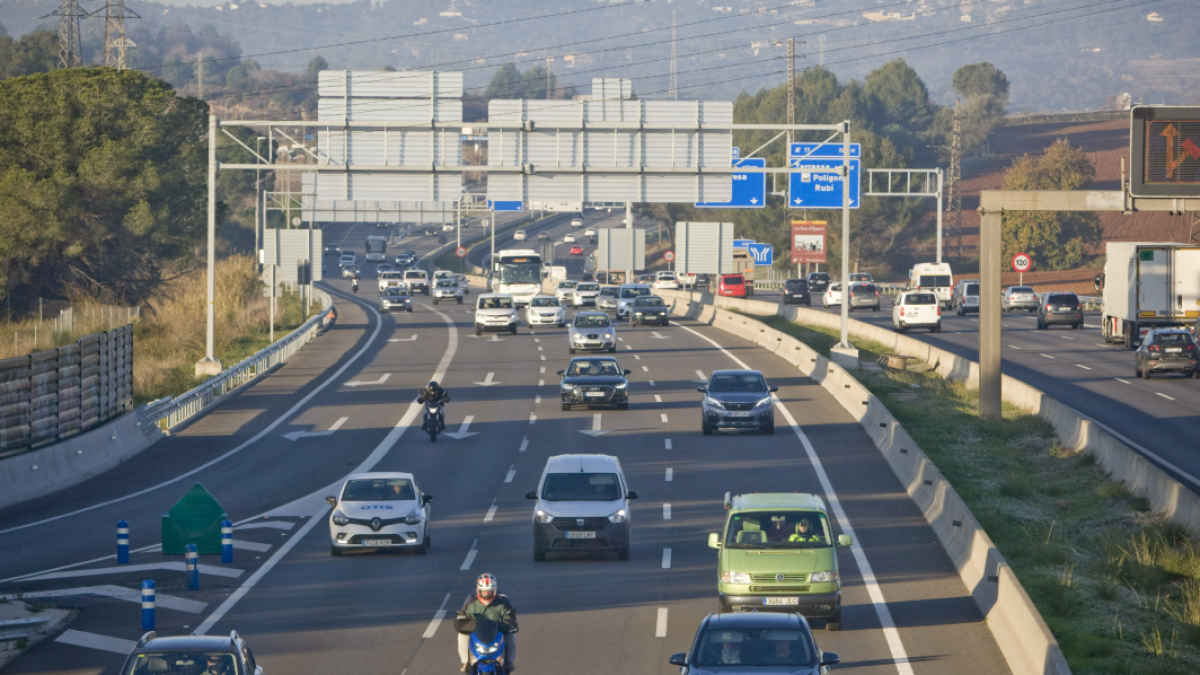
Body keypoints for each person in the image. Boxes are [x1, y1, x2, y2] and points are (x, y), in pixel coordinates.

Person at [456, 573, 517, 672]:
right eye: (484, 591)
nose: (486, 594)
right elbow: (463, 616)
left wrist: (507, 624)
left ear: (494, 591)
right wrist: (465, 622)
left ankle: (509, 661)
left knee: (511, 636)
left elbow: (510, 616)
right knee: (462, 635)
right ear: (478, 591)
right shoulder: (471, 600)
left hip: (496, 632)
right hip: (477, 633)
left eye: (489, 592)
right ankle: (465, 662)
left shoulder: (503, 600)